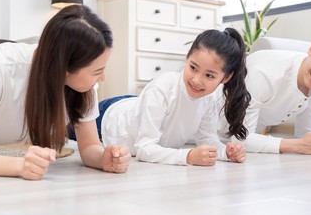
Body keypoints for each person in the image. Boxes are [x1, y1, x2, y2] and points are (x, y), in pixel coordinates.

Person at [0, 5, 130, 180]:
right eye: (97, 71)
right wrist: (20, 165)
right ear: (64, 68)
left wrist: (103, 158)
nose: (103, 78)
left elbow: (89, 145)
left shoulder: (83, 87)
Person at [92, 27, 251, 165]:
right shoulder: (162, 87)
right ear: (187, 57)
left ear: (226, 77)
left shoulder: (209, 98)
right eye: (193, 67)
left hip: (137, 106)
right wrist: (187, 156)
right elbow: (144, 149)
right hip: (108, 120)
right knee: (70, 121)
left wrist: (226, 152)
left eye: (209, 75)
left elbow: (207, 140)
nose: (197, 80)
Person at [216, 29, 311, 155]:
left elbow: (305, 134)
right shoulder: (265, 73)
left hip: (227, 144)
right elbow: (242, 139)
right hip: (201, 133)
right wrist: (296, 145)